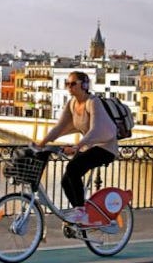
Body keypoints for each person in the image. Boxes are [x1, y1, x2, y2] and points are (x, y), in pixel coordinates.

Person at [35, 71, 118, 224]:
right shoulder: (72, 103)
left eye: (73, 84)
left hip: (106, 148)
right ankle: (82, 215)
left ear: (84, 85)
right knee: (66, 180)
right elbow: (58, 127)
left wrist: (77, 146)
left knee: (73, 168)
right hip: (89, 146)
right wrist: (40, 144)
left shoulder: (93, 102)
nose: (69, 87)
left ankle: (81, 212)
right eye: (67, 84)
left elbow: (96, 129)